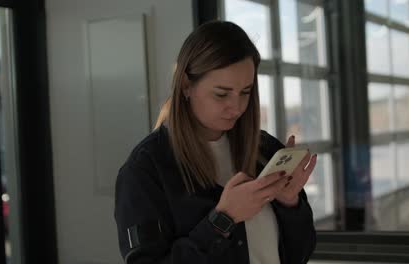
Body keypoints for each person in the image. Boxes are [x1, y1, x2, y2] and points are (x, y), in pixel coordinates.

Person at [114, 20, 317, 264]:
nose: (237, 106)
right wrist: (224, 219)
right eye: (221, 94)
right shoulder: (145, 170)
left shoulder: (265, 150)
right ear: (187, 86)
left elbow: (299, 255)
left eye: (246, 92)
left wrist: (289, 203)